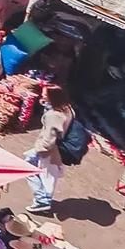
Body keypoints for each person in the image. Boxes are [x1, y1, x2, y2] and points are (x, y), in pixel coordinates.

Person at [25, 86, 75, 215]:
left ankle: (42, 200)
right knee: (48, 175)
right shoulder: (67, 109)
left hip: (48, 150)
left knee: (32, 170)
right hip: (56, 149)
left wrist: (38, 151)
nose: (42, 96)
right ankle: (43, 199)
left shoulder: (54, 116)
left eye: (45, 95)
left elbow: (49, 138)